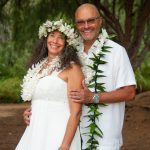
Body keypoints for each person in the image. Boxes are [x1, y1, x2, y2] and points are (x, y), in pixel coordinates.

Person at [23, 3, 136, 150]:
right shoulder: (69, 52)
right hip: (73, 135)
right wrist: (35, 111)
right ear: (76, 25)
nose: (86, 26)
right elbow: (54, 87)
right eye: (81, 22)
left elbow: (130, 92)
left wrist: (93, 97)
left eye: (91, 21)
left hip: (104, 138)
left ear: (100, 21)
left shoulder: (116, 52)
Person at [16, 19, 84, 150]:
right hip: (35, 131)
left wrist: (65, 145)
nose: (55, 41)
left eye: (60, 38)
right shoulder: (38, 67)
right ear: (45, 39)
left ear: (66, 43)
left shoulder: (72, 68)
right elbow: (41, 98)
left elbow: (76, 112)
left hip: (58, 133)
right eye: (52, 35)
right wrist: (30, 112)